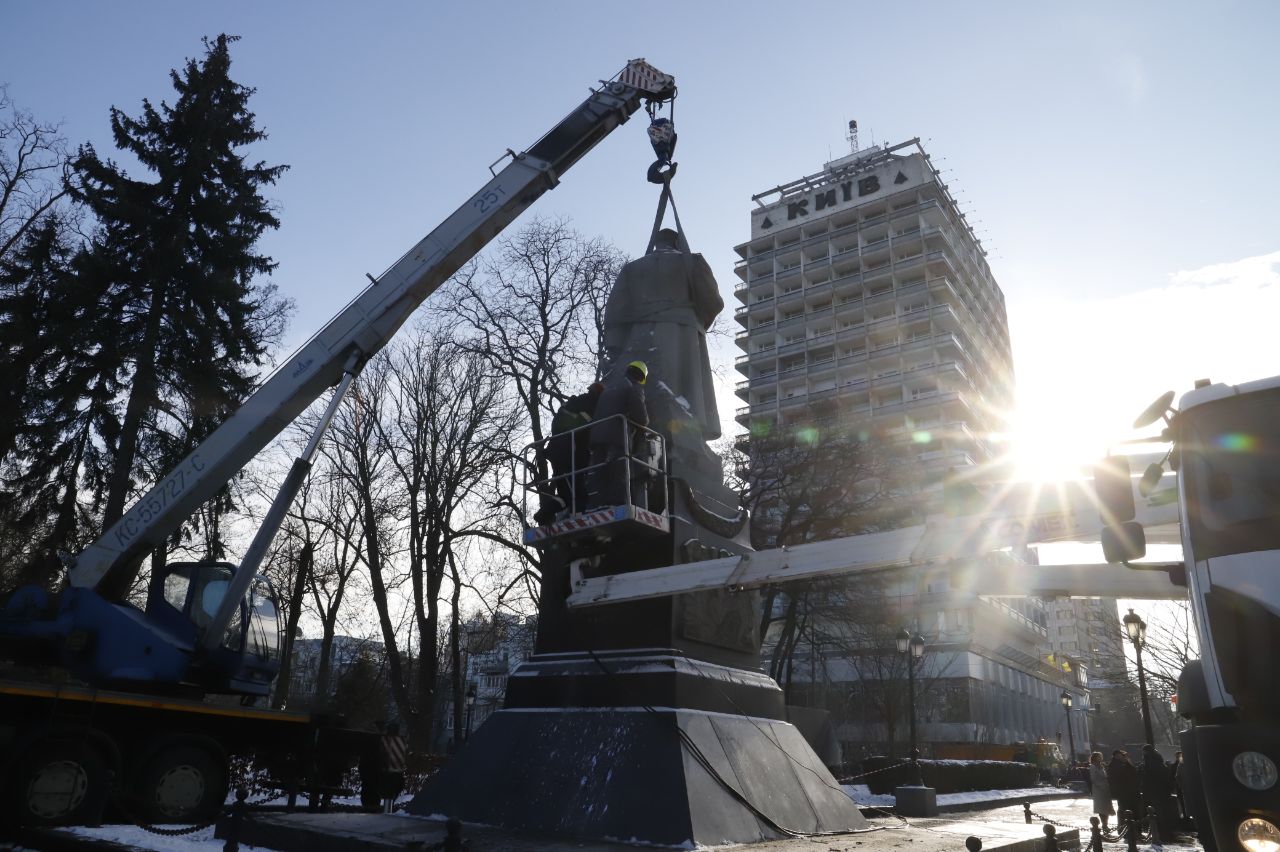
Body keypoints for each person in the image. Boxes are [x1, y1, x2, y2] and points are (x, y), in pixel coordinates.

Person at [534, 382, 603, 524]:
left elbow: (561, 429)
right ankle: (577, 518)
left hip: (557, 453)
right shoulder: (591, 406)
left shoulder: (574, 403)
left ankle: (544, 513)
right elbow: (584, 435)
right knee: (578, 493)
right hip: (568, 455)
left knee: (565, 495)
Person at [588, 361, 650, 508]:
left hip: (596, 437)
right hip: (616, 437)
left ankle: (598, 504)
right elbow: (641, 417)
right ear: (641, 377)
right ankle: (616, 504)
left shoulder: (609, 388)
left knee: (601, 472)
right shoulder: (633, 387)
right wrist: (644, 426)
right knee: (618, 471)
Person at [1140, 744, 1178, 838]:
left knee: (1155, 813)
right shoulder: (1160, 762)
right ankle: (1166, 832)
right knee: (1164, 812)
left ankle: (1159, 833)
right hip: (1163, 792)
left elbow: (1144, 780)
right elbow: (1168, 778)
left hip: (1153, 792)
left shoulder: (1146, 764)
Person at [1107, 749, 1140, 825]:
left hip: (1127, 791)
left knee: (1126, 808)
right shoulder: (1115, 765)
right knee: (1124, 808)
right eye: (1121, 755)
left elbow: (1133, 772)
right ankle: (1124, 825)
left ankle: (1126, 825)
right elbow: (1125, 775)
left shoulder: (1121, 764)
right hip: (1123, 791)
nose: (1123, 756)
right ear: (1116, 755)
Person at [1088, 751, 1115, 830]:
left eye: (1101, 756)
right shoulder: (1093, 767)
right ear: (1094, 758)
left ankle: (1105, 824)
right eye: (1099, 756)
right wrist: (1100, 786)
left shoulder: (1101, 766)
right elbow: (1093, 779)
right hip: (1098, 790)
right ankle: (1104, 825)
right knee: (1101, 807)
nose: (1100, 758)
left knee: (1107, 807)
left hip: (1105, 789)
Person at [1170, 750, 1187, 823]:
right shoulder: (1180, 764)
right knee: (1183, 802)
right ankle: (1185, 815)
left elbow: (1174, 777)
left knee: (1182, 802)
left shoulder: (1174, 766)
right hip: (1180, 786)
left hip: (1179, 786)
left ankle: (1185, 815)